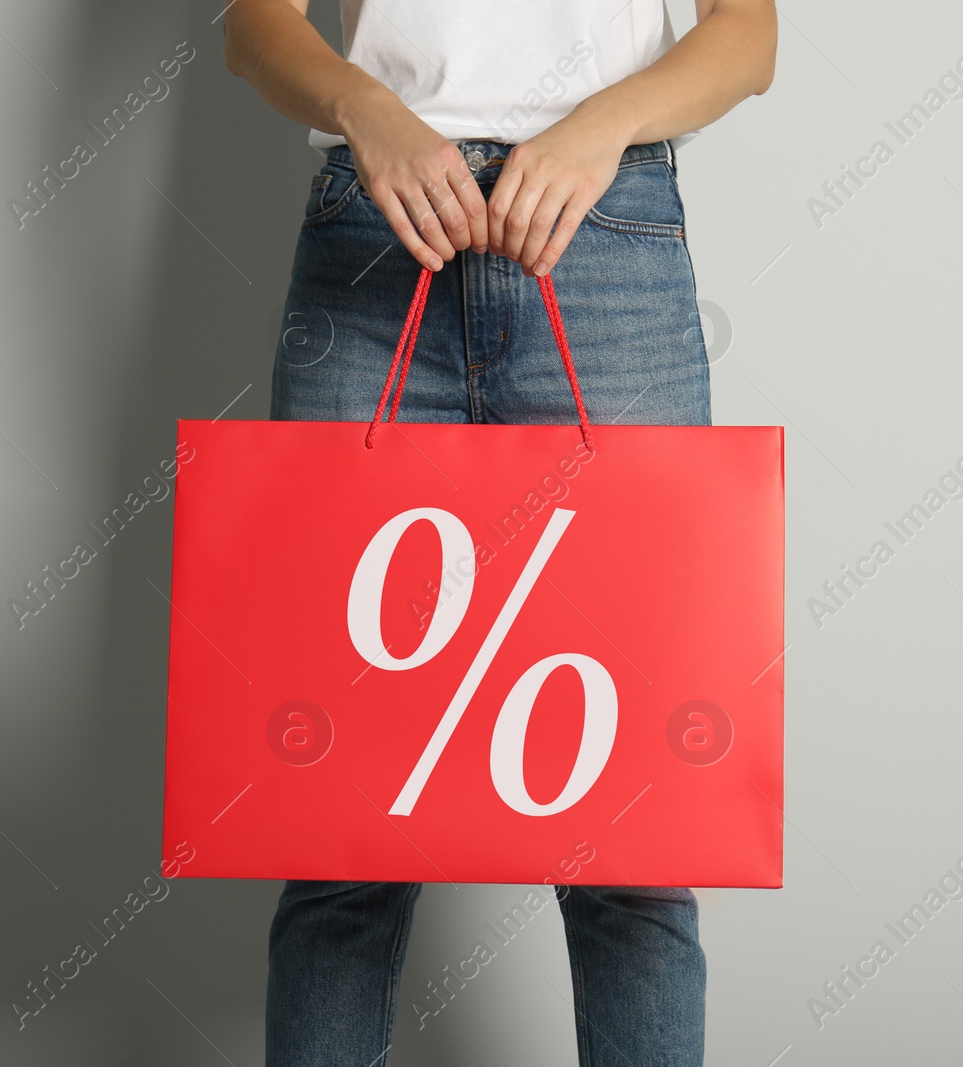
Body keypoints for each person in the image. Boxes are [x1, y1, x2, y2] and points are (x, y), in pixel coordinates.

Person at [223, 2, 776, 1063]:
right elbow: (254, 26)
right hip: (375, 234)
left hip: (601, 230)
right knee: (341, 819)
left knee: (637, 826)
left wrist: (602, 124)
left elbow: (748, 37)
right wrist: (363, 106)